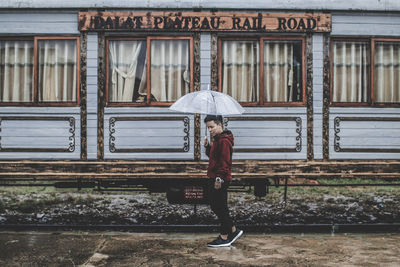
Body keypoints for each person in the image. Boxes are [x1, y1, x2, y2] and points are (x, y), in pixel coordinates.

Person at [203, 114, 243, 247]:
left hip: (220, 178)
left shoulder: (224, 141)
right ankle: (233, 230)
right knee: (218, 206)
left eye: (212, 127)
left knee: (219, 207)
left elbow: (225, 163)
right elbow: (214, 157)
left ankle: (224, 237)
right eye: (208, 128)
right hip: (215, 176)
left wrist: (219, 179)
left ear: (220, 125)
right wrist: (208, 147)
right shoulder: (217, 139)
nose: (210, 130)